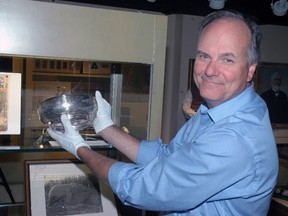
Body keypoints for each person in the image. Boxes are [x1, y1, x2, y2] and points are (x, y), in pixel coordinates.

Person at [48, 10, 279, 216]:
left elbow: (141, 189)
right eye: (203, 56)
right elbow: (167, 157)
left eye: (227, 59)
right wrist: (106, 128)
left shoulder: (234, 138)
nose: (209, 70)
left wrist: (81, 149)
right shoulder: (221, 108)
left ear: (250, 70)